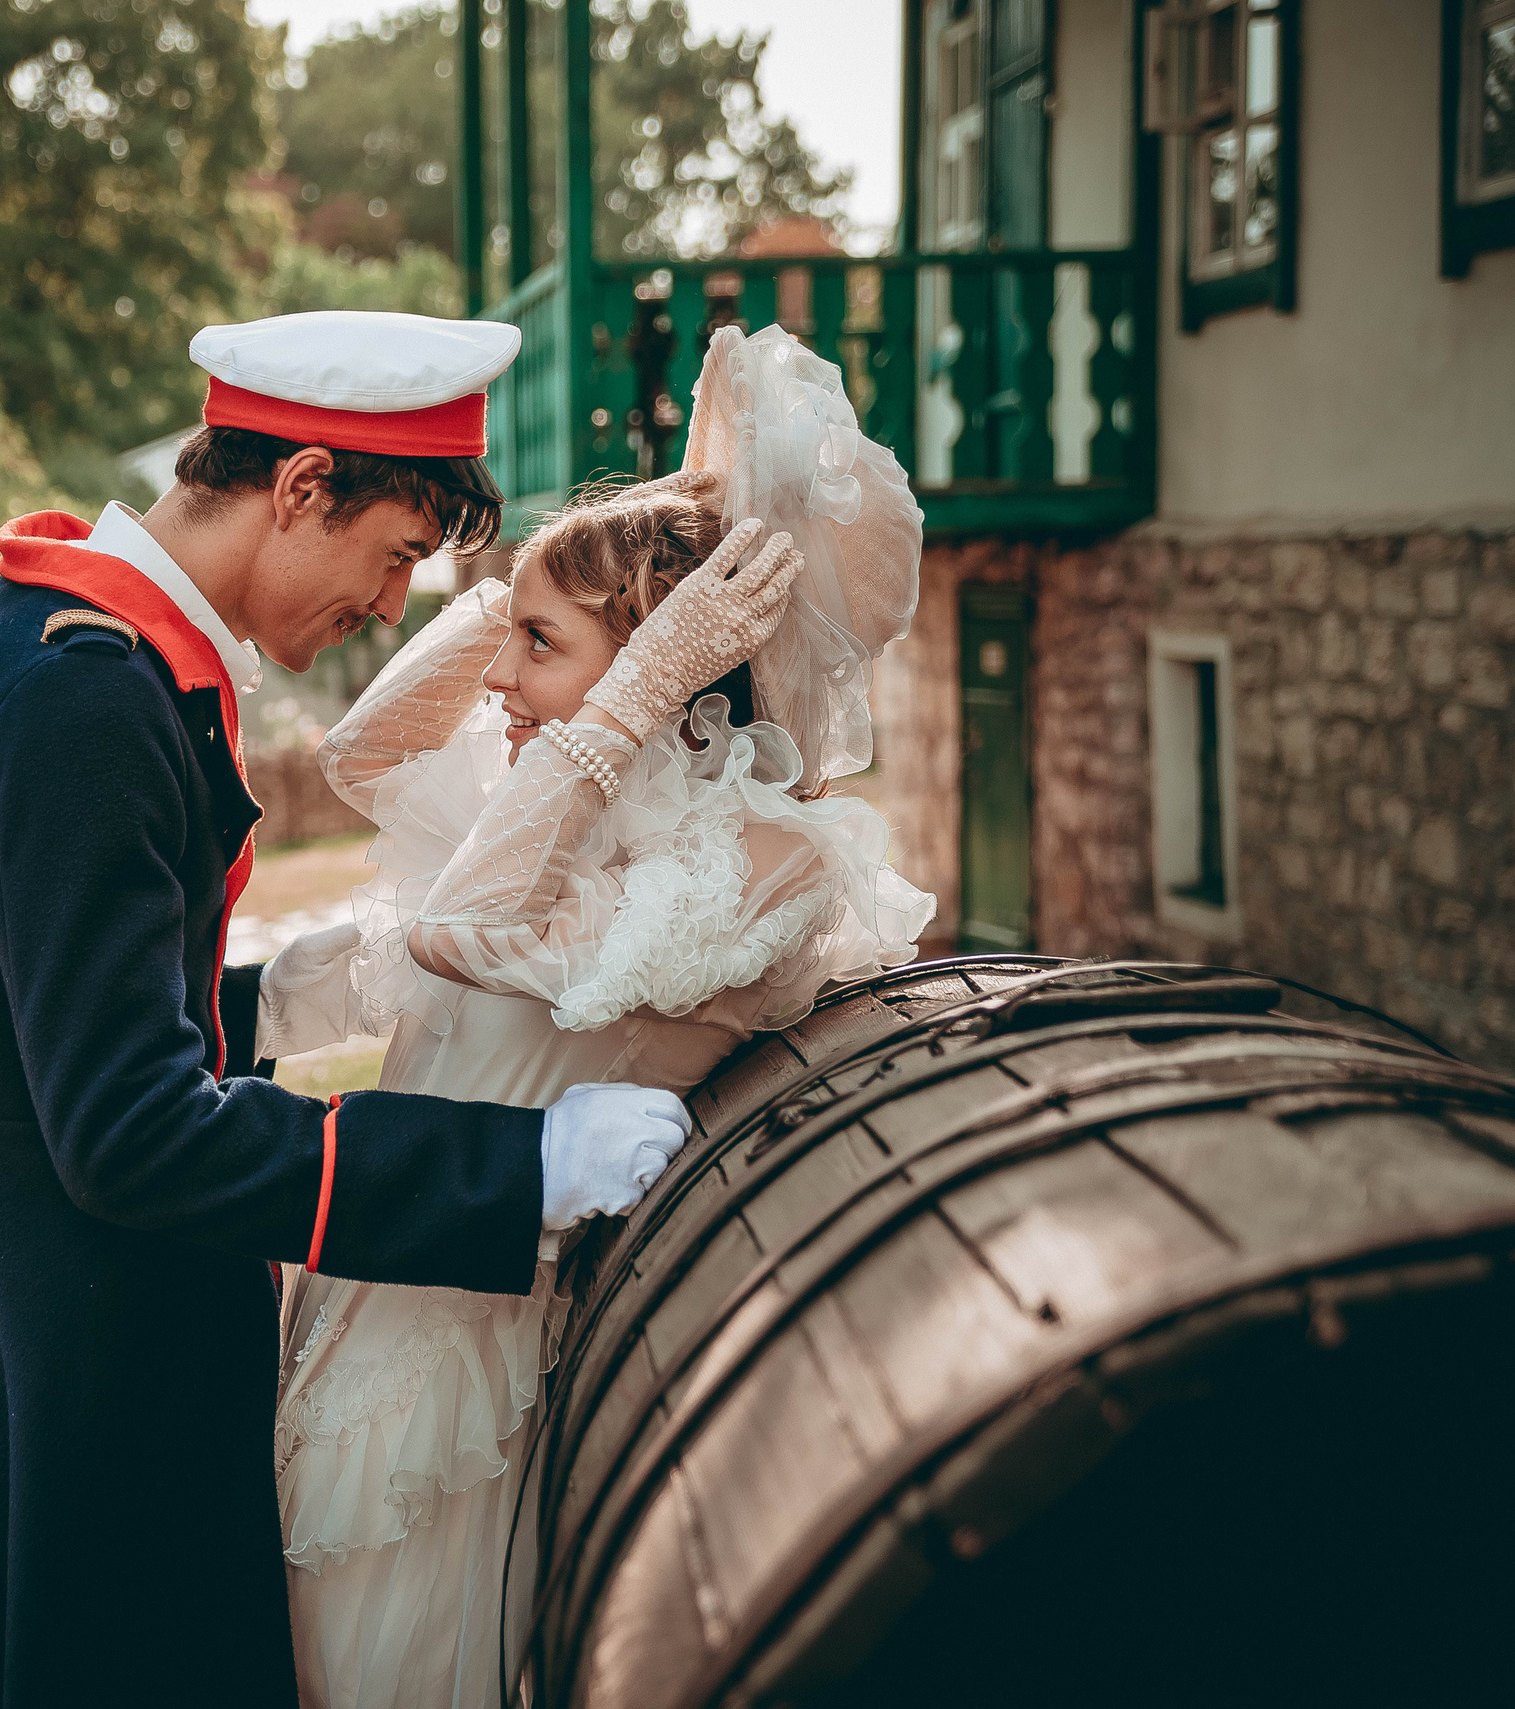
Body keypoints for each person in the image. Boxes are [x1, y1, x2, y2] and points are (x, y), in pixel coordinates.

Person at [0, 310, 704, 1709]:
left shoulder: (40, 633)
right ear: (299, 489)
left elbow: (28, 1000)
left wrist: (275, 993)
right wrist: (514, 1166)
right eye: (398, 551)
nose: (395, 600)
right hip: (66, 1341)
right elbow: (129, 1131)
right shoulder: (86, 696)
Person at [262, 324, 936, 1709]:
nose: (502, 679)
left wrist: (632, 681)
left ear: (667, 676)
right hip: (369, 1281)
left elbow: (464, 930)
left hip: (463, 1362)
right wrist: (536, 590)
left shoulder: (753, 856)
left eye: (537, 646)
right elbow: (363, 746)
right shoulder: (551, 802)